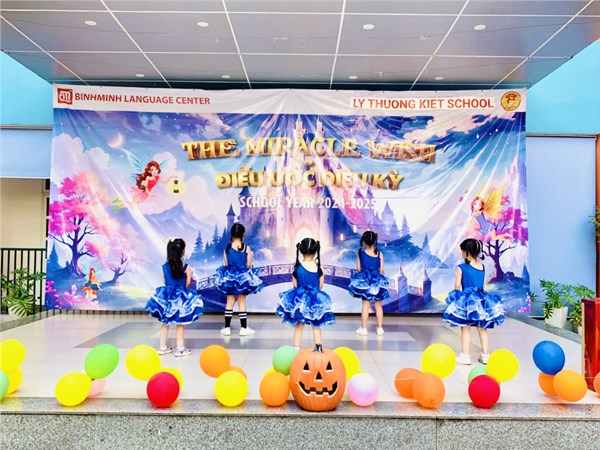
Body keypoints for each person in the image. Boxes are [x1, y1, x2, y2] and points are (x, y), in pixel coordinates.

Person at [442, 238, 505, 365]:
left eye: (462, 251)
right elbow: (480, 284)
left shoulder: (461, 267)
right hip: (481, 299)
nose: (461, 253)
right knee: (482, 328)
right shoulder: (482, 266)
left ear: (466, 252)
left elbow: (457, 285)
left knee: (466, 328)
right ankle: (485, 355)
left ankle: (465, 356)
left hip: (467, 300)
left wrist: (457, 298)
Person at [145, 238, 203, 357]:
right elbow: (188, 283)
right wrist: (181, 288)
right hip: (181, 297)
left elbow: (164, 281)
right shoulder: (186, 267)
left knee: (165, 322)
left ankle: (162, 347)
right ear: (182, 252)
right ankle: (180, 349)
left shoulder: (164, 267)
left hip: (166, 296)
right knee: (180, 323)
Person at [276, 238, 335, 352]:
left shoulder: (297, 268)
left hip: (300, 302)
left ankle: (295, 350)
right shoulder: (318, 268)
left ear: (301, 251)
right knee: (316, 325)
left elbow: (295, 285)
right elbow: (321, 285)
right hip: (315, 300)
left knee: (299, 325)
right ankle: (318, 349)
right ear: (315, 251)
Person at [214, 223, 264, 336]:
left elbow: (226, 264)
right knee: (242, 301)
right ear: (243, 234)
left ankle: (227, 328)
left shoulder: (227, 248)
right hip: (243, 278)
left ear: (232, 234)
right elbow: (249, 265)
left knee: (229, 302)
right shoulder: (246, 248)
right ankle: (244, 328)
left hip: (230, 277)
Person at [348, 231, 389, 336]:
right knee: (378, 305)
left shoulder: (360, 253)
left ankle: (363, 328)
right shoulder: (379, 254)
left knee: (365, 304)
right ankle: (380, 328)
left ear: (364, 242)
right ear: (375, 241)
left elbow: (358, 269)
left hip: (365, 281)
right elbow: (382, 271)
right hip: (377, 281)